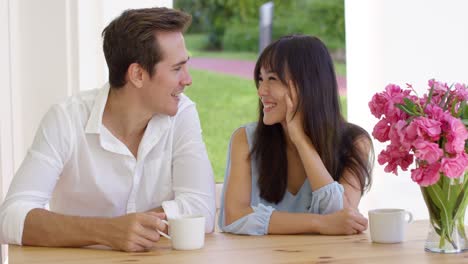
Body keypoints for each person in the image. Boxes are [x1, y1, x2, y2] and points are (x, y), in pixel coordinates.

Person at [0, 7, 215, 252]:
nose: (188, 79)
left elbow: (202, 208)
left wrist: (132, 227)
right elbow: (11, 218)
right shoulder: (66, 119)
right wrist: (106, 230)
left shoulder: (182, 114)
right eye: (177, 69)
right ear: (137, 74)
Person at [218, 35, 373, 235]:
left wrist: (301, 140)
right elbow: (234, 217)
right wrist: (319, 223)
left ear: (306, 85)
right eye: (260, 79)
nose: (261, 91)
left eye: (272, 79)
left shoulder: (355, 142)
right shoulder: (245, 139)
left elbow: (343, 216)